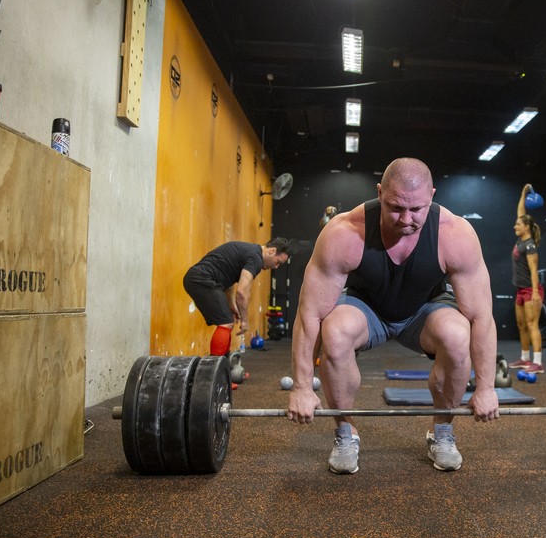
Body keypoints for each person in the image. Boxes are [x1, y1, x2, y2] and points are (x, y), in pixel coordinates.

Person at [286, 157, 500, 474]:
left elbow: (482, 316)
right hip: (365, 308)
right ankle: (346, 432)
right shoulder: (345, 232)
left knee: (457, 334)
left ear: (432, 196)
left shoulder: (455, 234)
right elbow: (309, 315)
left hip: (424, 313)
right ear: (379, 193)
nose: (405, 219)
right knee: (335, 331)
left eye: (417, 210)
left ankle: (442, 431)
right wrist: (302, 387)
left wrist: (485, 387)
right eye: (395, 208)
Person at [183, 239, 291, 384]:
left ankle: (222, 372)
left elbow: (228, 281)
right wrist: (245, 321)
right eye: (278, 262)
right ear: (271, 251)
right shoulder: (256, 258)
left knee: (227, 322)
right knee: (226, 323)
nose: (276, 267)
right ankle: (213, 377)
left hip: (203, 279)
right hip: (202, 279)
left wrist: (232, 305)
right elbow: (242, 292)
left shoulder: (251, 252)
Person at [508, 184, 545, 374]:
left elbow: (534, 270)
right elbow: (521, 211)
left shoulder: (529, 245)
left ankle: (537, 362)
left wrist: (536, 293)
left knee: (532, 325)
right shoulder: (520, 240)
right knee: (521, 325)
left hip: (531, 290)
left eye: (518, 225)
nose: (515, 226)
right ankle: (524, 358)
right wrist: (523, 193)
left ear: (527, 228)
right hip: (520, 290)